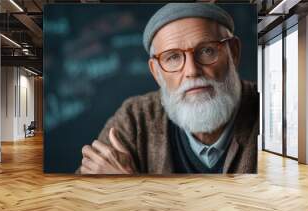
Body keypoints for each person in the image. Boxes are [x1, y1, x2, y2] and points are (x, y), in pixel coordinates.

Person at [77, 3, 258, 174]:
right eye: (172, 57)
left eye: (207, 50)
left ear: (233, 52)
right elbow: (76, 197)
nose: (192, 71)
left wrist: (129, 190)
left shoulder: (270, 112)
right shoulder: (135, 118)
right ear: (156, 72)